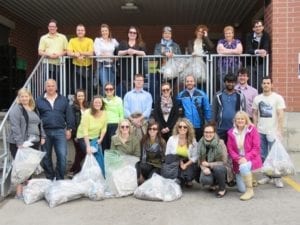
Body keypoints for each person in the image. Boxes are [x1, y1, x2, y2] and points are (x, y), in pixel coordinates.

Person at [8, 88, 46, 199]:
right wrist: (20, 143)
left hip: (33, 142)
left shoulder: (33, 108)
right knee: (21, 167)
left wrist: (42, 136)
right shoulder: (16, 109)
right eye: (22, 96)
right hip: (21, 143)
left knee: (29, 167)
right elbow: (15, 127)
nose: (24, 98)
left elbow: (40, 123)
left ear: (30, 97)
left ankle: (26, 191)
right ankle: (18, 193)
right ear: (18, 98)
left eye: (26, 96)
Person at [36, 79, 75, 180]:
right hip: (45, 133)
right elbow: (36, 118)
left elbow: (69, 115)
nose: (50, 87)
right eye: (48, 86)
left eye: (52, 85)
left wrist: (69, 129)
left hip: (60, 131)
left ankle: (59, 179)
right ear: (45, 87)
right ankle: (50, 177)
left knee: (62, 156)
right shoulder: (39, 100)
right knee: (45, 157)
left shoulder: (63, 99)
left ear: (56, 87)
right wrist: (39, 133)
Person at [252, 77, 286, 188]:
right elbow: (255, 114)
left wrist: (279, 130)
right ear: (261, 85)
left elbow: (280, 114)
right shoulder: (257, 98)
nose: (266, 85)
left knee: (275, 156)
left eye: (268, 83)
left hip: (273, 131)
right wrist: (255, 128)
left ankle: (277, 178)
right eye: (264, 83)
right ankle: (267, 176)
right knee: (263, 155)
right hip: (261, 131)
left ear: (272, 85)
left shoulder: (277, 98)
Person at [227, 111, 262, 200]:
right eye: (238, 119)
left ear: (246, 120)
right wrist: (238, 158)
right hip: (238, 160)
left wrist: (246, 158)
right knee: (242, 189)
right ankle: (249, 177)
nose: (240, 121)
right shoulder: (231, 132)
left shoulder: (252, 130)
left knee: (243, 166)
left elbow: (256, 148)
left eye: (242, 119)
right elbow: (230, 149)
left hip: (251, 158)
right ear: (235, 121)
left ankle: (250, 191)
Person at [198, 122, 233, 198]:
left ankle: (222, 189)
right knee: (205, 179)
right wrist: (204, 168)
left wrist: (209, 165)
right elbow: (200, 160)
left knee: (218, 169)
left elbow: (224, 161)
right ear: (203, 133)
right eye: (206, 132)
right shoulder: (200, 143)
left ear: (214, 133)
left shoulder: (220, 143)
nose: (208, 134)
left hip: (222, 167)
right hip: (208, 168)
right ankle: (213, 184)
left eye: (210, 132)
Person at [76, 96, 107, 175]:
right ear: (92, 104)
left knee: (99, 155)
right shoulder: (87, 113)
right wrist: (88, 146)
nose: (97, 104)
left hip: (95, 137)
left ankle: (101, 175)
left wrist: (101, 139)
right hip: (83, 136)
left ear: (102, 104)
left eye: (99, 102)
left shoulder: (104, 113)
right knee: (91, 153)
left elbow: (104, 128)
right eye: (96, 102)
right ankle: (89, 176)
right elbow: (85, 130)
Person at [212, 73, 246, 144]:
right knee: (221, 150)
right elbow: (214, 111)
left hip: (236, 128)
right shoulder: (218, 95)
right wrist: (213, 127)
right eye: (228, 82)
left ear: (235, 83)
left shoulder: (240, 95)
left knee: (234, 150)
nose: (230, 84)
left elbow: (244, 112)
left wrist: (243, 126)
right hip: (220, 128)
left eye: (232, 82)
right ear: (225, 82)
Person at [177, 74, 212, 141]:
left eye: (191, 81)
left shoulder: (202, 94)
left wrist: (209, 122)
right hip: (186, 126)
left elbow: (206, 109)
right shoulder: (180, 95)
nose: (189, 83)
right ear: (185, 82)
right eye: (187, 81)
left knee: (199, 145)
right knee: (188, 145)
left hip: (199, 125)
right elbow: (177, 110)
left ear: (194, 82)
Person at [165, 118, 198, 187]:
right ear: (177, 128)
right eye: (180, 126)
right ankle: (179, 180)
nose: (182, 128)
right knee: (177, 175)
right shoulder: (172, 139)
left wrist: (185, 165)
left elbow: (195, 157)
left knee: (188, 175)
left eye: (185, 127)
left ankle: (187, 180)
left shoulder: (193, 140)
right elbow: (167, 154)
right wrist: (179, 162)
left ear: (188, 128)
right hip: (175, 161)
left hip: (188, 162)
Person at [38, 19, 68, 89]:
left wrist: (58, 55)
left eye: (53, 26)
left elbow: (66, 50)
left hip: (59, 64)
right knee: (46, 83)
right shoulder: (43, 38)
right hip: (47, 63)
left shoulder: (63, 37)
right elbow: (40, 52)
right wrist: (49, 55)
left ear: (56, 28)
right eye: (50, 26)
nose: (52, 28)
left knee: (58, 83)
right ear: (48, 27)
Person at [117, 26, 146, 97]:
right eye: (131, 32)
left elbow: (144, 53)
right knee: (126, 92)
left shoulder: (141, 43)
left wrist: (134, 51)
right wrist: (127, 51)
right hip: (125, 72)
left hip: (137, 71)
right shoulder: (123, 43)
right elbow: (118, 53)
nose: (132, 34)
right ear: (128, 34)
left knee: (138, 91)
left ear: (137, 34)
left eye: (134, 33)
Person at [67, 24, 94, 98]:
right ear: (76, 31)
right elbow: (68, 52)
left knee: (88, 87)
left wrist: (79, 53)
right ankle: (78, 104)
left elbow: (91, 52)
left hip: (88, 66)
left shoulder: (89, 40)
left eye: (82, 30)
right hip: (76, 66)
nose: (80, 32)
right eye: (78, 30)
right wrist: (75, 54)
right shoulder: (72, 40)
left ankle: (88, 102)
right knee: (77, 87)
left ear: (85, 32)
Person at [124, 74, 153, 140]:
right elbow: (125, 109)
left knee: (143, 143)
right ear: (134, 81)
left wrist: (138, 120)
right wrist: (133, 120)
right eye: (137, 80)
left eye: (141, 80)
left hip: (143, 123)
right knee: (130, 143)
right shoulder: (128, 95)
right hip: (130, 123)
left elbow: (148, 110)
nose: (139, 82)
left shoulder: (148, 95)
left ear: (143, 82)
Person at [67, 89, 89, 177]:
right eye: (79, 96)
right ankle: (76, 170)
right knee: (81, 151)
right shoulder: (72, 107)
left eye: (82, 96)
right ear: (76, 97)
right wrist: (75, 135)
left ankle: (74, 169)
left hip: (87, 133)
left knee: (81, 152)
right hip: (78, 134)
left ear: (85, 96)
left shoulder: (87, 106)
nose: (80, 97)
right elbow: (72, 121)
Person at [138, 120, 166, 184]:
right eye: (150, 128)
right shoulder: (143, 140)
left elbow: (164, 158)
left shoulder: (162, 142)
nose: (152, 130)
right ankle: (143, 176)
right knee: (141, 165)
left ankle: (149, 177)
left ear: (157, 131)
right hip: (147, 164)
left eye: (154, 129)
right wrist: (140, 173)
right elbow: (142, 156)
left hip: (157, 165)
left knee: (150, 181)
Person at [245, 19, 270, 92]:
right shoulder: (249, 36)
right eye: (256, 27)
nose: (258, 28)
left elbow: (266, 48)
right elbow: (248, 49)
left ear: (263, 27)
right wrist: (258, 51)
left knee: (260, 82)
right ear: (253, 29)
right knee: (251, 82)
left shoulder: (266, 35)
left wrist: (264, 51)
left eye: (260, 26)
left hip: (261, 63)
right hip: (250, 63)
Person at [216, 25, 243, 90]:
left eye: (229, 33)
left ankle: (235, 94)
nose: (228, 35)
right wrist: (234, 51)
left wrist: (225, 51)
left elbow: (239, 51)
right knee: (223, 82)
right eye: (226, 33)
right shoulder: (221, 41)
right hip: (223, 65)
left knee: (235, 82)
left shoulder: (237, 41)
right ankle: (225, 94)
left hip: (235, 65)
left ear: (233, 34)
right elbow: (219, 51)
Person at [94, 24, 119, 89]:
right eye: (103, 31)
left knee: (111, 86)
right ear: (101, 32)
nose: (104, 32)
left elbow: (119, 50)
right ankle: (105, 99)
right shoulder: (98, 40)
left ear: (109, 31)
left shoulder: (113, 41)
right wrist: (111, 56)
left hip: (112, 65)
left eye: (106, 30)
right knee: (105, 85)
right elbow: (98, 53)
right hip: (102, 65)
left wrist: (116, 58)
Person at [102, 83, 124, 151]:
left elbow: (121, 114)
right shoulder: (102, 100)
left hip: (115, 124)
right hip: (104, 125)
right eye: (107, 89)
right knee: (105, 146)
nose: (109, 91)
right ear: (104, 91)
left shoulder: (118, 99)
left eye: (111, 89)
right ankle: (105, 161)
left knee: (114, 145)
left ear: (114, 90)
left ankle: (113, 161)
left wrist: (120, 126)